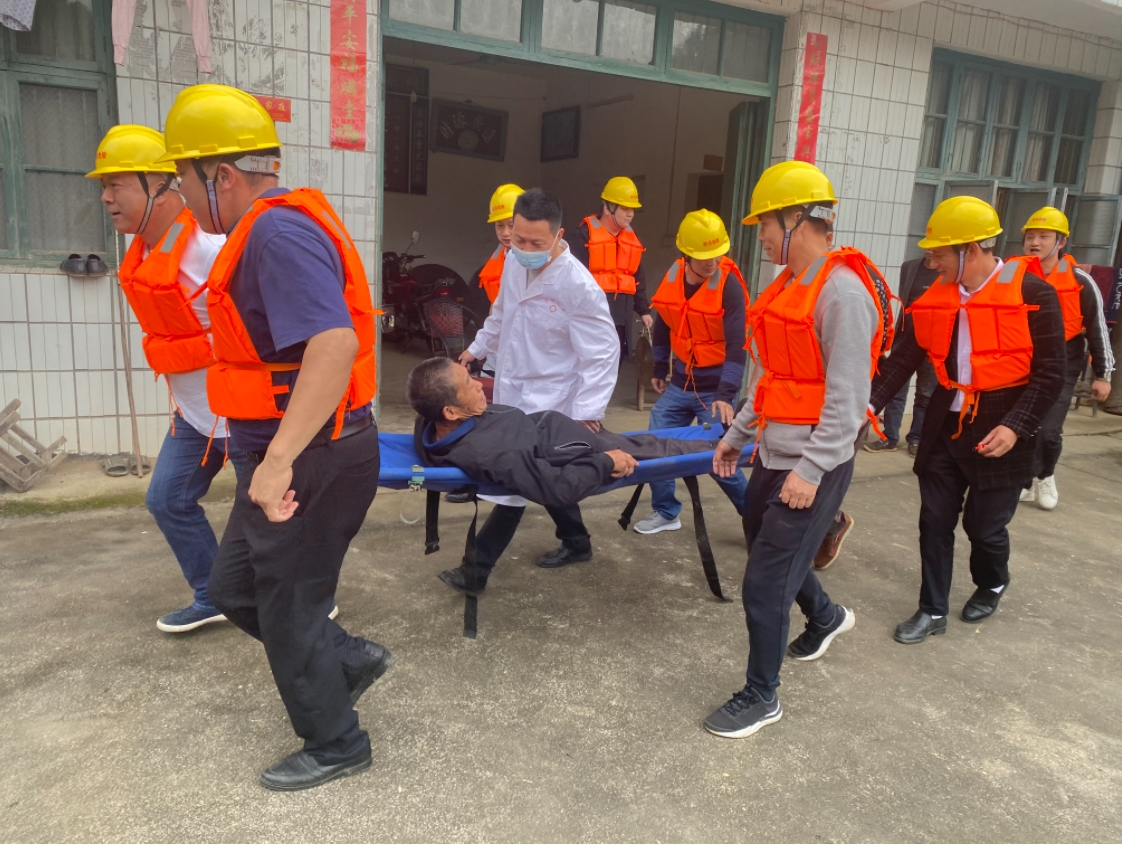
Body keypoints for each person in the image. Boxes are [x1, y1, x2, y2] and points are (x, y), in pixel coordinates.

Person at [160, 84, 390, 791]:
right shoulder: (262, 230)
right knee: (234, 588)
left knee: (289, 606)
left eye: (182, 178)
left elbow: (332, 344)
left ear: (221, 175)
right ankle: (347, 660)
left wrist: (279, 459)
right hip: (287, 451)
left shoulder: (276, 235)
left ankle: (337, 741)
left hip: (310, 456)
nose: (181, 195)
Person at [704, 161, 892, 738]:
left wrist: (809, 470)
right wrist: (738, 436)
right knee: (769, 550)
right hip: (774, 452)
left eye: (765, 223)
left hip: (816, 463)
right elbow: (775, 379)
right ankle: (827, 617)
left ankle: (762, 695)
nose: (760, 236)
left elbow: (847, 400)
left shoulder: (843, 294)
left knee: (764, 583)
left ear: (797, 220)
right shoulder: (788, 285)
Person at [868, 196, 1065, 645]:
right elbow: (902, 361)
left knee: (984, 527)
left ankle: (992, 582)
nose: (931, 262)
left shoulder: (1035, 294)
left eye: (939, 254)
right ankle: (932, 609)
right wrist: (867, 406)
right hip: (946, 422)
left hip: (1003, 426)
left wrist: (1015, 426)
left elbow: (1052, 373)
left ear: (970, 250)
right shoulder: (935, 296)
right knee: (934, 520)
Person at [88, 125, 250, 633]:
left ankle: (305, 601)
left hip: (245, 414)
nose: (105, 197)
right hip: (195, 416)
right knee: (167, 500)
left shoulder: (211, 248)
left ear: (159, 185)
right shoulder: (141, 252)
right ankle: (213, 595)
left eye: (116, 184)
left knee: (271, 513)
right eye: (104, 185)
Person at [448, 188, 619, 593]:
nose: (523, 249)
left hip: (553, 397)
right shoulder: (513, 261)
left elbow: (601, 353)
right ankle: (576, 541)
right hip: (513, 384)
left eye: (535, 243)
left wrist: (588, 412)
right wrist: (476, 349)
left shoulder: (578, 286)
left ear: (558, 235)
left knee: (517, 482)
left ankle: (476, 570)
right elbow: (501, 314)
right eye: (518, 239)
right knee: (547, 473)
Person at [408, 358, 719, 514]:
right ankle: (720, 446)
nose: (479, 384)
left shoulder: (431, 422)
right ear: (450, 411)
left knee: (644, 442)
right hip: (572, 446)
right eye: (468, 383)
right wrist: (605, 462)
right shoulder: (493, 454)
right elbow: (556, 489)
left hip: (550, 428)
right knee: (652, 447)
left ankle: (575, 540)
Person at [633, 209, 749, 535]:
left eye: (717, 254)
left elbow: (737, 346)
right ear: (686, 254)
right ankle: (666, 511)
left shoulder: (729, 286)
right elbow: (664, 324)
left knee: (718, 457)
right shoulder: (674, 276)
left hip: (715, 390)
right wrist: (660, 366)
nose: (712, 262)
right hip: (681, 384)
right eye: (704, 256)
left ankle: (757, 518)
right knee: (657, 444)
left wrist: (726, 394)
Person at [1015, 207, 1114, 510]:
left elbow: (1097, 328)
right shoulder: (1011, 273)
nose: (1035, 243)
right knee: (1020, 425)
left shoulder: (1080, 280)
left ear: (1061, 241)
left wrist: (1103, 375)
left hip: (1063, 362)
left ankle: (1045, 475)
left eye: (1043, 236)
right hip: (1019, 360)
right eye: (1030, 236)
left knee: (1048, 429)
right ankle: (1024, 481)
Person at [864, 252, 940, 457]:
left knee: (925, 393)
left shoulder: (945, 271)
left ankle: (916, 438)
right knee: (895, 389)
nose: (930, 251)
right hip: (904, 337)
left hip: (931, 340)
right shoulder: (910, 267)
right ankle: (889, 436)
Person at [567, 176, 653, 357]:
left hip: (621, 319)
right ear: (607, 208)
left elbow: (637, 278)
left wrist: (644, 311)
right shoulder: (582, 237)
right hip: (590, 318)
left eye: (632, 209)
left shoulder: (631, 240)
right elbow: (568, 279)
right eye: (624, 208)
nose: (630, 214)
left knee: (615, 363)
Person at [475, 183, 525, 309]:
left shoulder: (540, 259)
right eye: (500, 225)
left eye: (511, 225)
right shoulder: (499, 256)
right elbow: (494, 308)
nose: (505, 233)